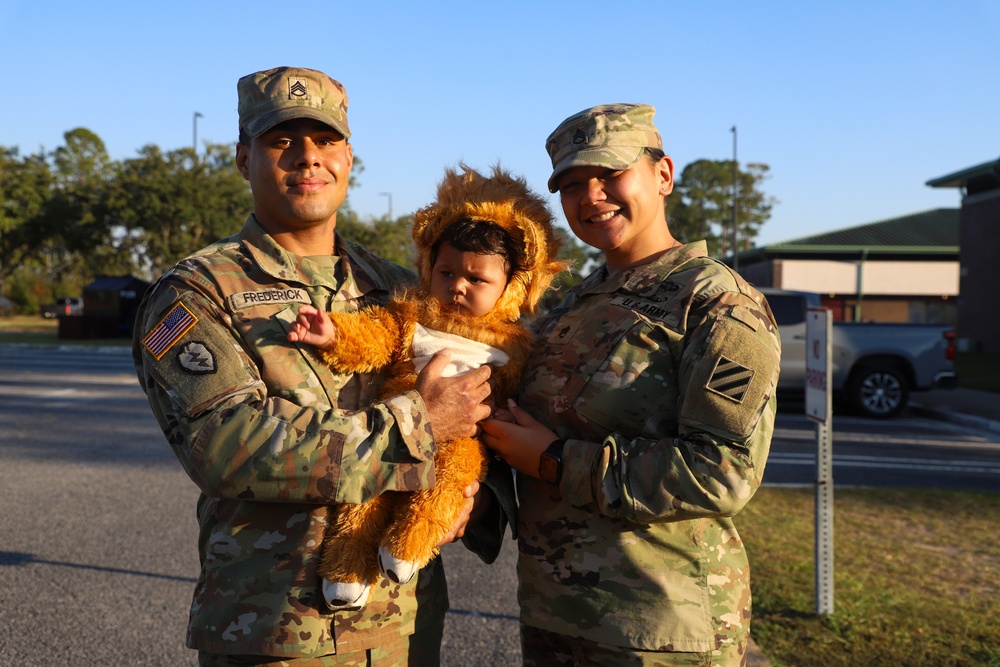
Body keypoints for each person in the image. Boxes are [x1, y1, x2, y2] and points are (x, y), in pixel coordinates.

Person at [132, 66, 501, 666]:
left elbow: (482, 409)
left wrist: (474, 497)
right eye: (282, 141)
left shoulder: (401, 287)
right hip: (280, 630)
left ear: (349, 157)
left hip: (406, 623)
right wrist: (419, 424)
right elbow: (229, 446)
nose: (309, 158)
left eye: (325, 141)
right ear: (242, 158)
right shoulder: (197, 293)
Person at [481, 104, 782, 667]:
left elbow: (723, 470)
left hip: (658, 626)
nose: (590, 195)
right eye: (571, 185)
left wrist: (552, 460)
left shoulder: (715, 302)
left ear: (663, 175)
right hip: (558, 614)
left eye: (609, 174)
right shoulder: (572, 304)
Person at [285, 164, 566, 612]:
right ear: (427, 267)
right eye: (446, 272)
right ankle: (346, 567)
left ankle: (410, 545)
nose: (457, 286)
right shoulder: (410, 315)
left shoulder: (516, 346)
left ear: (510, 287)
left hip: (462, 439)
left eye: (477, 280)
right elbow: (376, 336)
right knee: (367, 497)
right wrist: (334, 334)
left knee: (453, 476)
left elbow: (521, 399)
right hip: (390, 429)